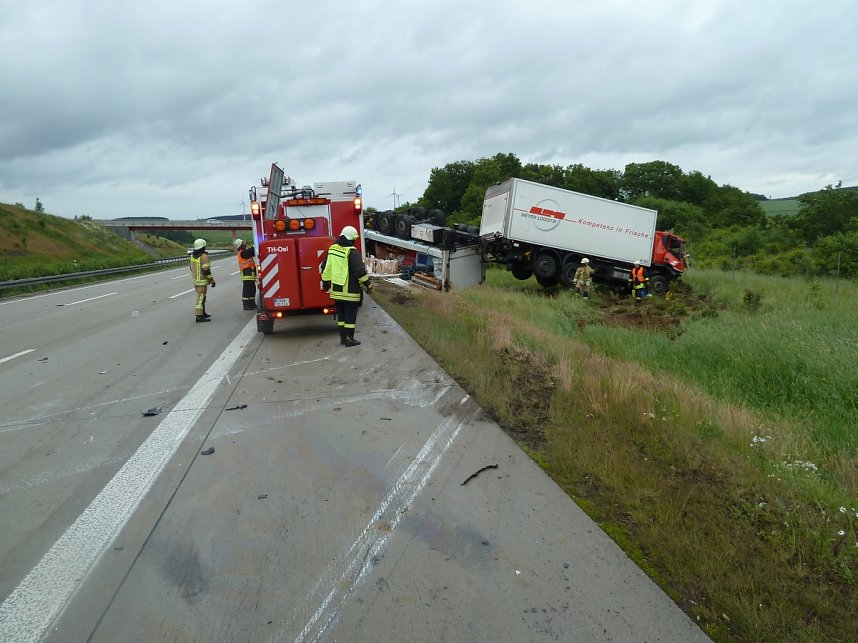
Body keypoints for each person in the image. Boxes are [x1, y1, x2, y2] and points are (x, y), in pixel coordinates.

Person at [321, 226, 370, 347]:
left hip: (336, 290)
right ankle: (350, 339)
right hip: (350, 291)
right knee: (350, 315)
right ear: (352, 239)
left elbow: (325, 267)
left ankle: (343, 338)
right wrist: (368, 284)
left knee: (341, 315)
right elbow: (359, 272)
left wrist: (325, 282)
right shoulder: (352, 252)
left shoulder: (332, 249)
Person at [189, 238, 216, 322]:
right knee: (201, 298)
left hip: (195, 281)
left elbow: (191, 267)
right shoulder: (203, 256)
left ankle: (203, 313)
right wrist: (212, 280)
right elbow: (206, 270)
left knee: (202, 297)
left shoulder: (192, 256)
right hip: (202, 281)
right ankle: (199, 316)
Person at [233, 238, 257, 310]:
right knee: (247, 290)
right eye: (243, 243)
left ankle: (252, 304)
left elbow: (251, 253)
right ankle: (246, 305)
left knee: (252, 289)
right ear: (241, 245)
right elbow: (250, 252)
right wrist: (255, 245)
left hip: (249, 275)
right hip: (247, 275)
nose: (245, 244)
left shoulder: (243, 252)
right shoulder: (243, 252)